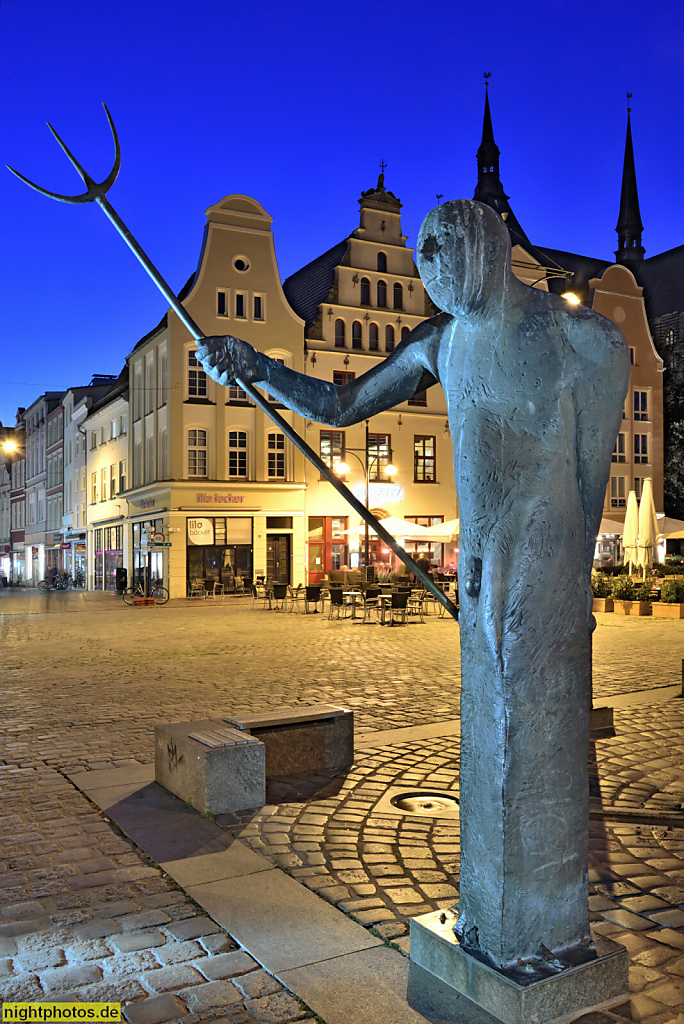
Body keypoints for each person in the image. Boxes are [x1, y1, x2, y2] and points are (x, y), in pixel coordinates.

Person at [196, 199, 630, 970]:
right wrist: (255, 364)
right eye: (426, 264)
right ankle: (499, 920)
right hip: (482, 564)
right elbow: (338, 406)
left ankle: (541, 925)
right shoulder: (442, 341)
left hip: (545, 554)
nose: (433, 275)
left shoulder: (582, 339)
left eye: (445, 257)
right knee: (490, 730)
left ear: (487, 249)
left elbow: (590, 473)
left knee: (529, 728)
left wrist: (570, 582)